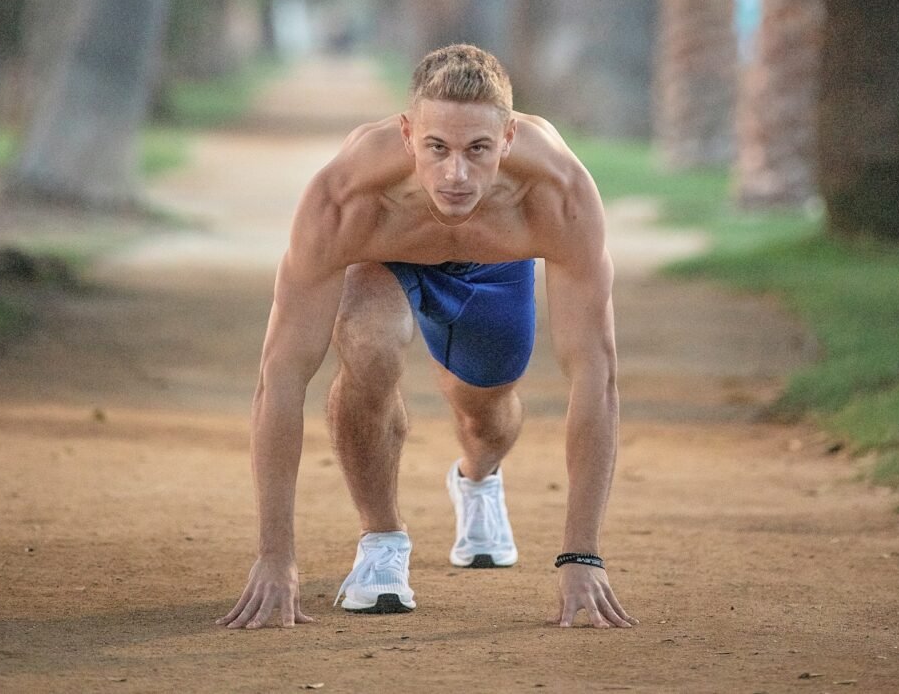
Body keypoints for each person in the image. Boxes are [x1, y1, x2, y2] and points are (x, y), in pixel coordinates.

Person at [217, 44, 636, 631]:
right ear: (410, 133)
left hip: (497, 266)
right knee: (368, 342)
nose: (456, 174)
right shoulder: (346, 199)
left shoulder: (557, 194)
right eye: (437, 148)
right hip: (387, 258)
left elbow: (597, 373)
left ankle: (479, 478)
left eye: (478, 150)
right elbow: (280, 376)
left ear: (509, 138)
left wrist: (581, 554)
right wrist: (274, 556)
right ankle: (382, 539)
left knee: (484, 416)